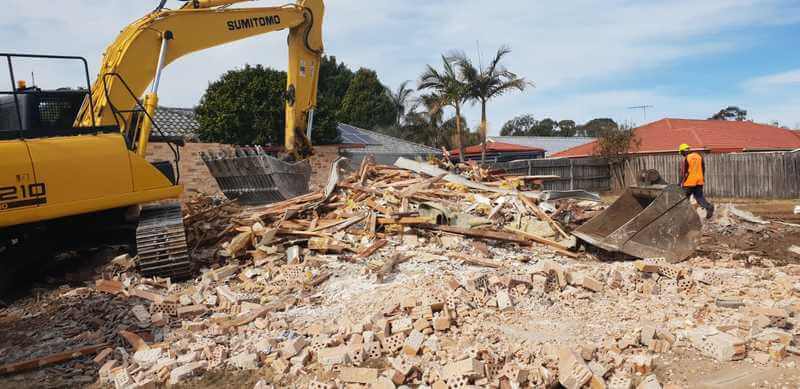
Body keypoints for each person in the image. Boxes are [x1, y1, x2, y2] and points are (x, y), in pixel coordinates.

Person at [679, 143, 714, 219]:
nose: (682, 155)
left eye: (681, 153)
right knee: (699, 197)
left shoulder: (686, 158)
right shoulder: (699, 156)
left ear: (683, 151)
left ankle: (684, 215)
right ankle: (708, 207)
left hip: (689, 182)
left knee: (683, 198)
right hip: (699, 181)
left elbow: (683, 172)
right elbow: (703, 168)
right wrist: (702, 178)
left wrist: (680, 184)